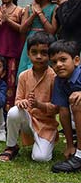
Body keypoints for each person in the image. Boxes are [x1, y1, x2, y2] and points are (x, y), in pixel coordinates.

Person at [0, 32, 58, 162]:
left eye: (44, 53)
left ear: (50, 55)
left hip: (46, 124)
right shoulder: (23, 76)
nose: (38, 56)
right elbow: (18, 100)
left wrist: (39, 104)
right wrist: (22, 102)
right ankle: (11, 146)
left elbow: (56, 108)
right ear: (28, 53)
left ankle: (49, 140)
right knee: (14, 112)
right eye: (34, 52)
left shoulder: (54, 77)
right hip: (28, 119)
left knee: (41, 158)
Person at [18, 0, 60, 76]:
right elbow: (22, 30)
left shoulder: (54, 8)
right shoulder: (29, 8)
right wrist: (33, 15)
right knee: (26, 72)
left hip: (47, 43)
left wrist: (40, 13)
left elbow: (51, 31)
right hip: (31, 42)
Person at [49, 40, 81, 173]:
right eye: (54, 62)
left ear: (76, 60)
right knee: (70, 104)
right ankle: (74, 148)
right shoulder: (59, 80)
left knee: (77, 100)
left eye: (63, 59)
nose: (59, 65)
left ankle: (80, 156)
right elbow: (63, 111)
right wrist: (69, 145)